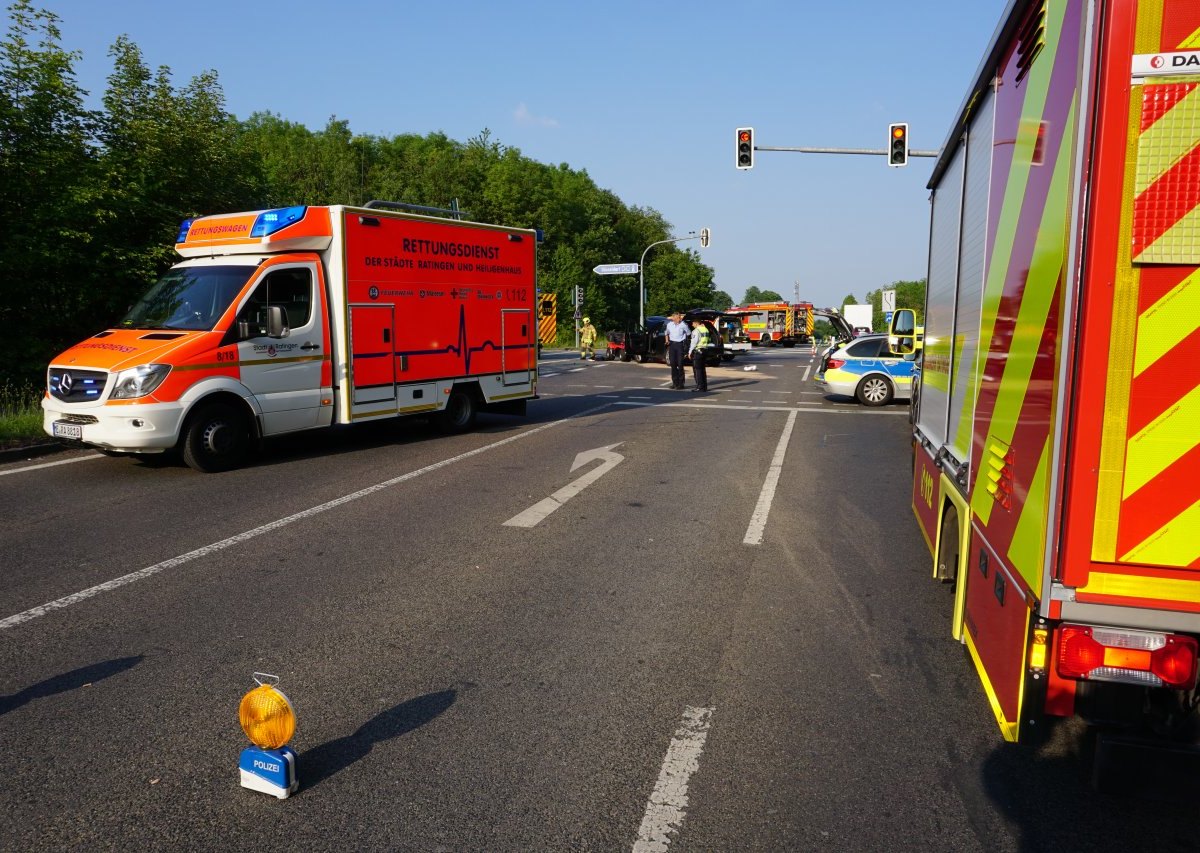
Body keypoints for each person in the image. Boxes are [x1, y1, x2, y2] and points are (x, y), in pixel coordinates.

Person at [664, 310, 690, 389]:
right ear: (674, 318)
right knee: (673, 364)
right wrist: (667, 340)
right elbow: (666, 333)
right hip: (672, 345)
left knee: (680, 364)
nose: (680, 318)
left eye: (679, 317)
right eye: (678, 317)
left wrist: (685, 340)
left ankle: (681, 384)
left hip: (679, 345)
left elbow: (689, 333)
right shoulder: (669, 325)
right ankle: (675, 383)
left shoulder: (683, 325)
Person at [687, 317, 711, 392]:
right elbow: (709, 339)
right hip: (705, 350)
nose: (692, 324)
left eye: (693, 323)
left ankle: (699, 387)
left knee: (698, 370)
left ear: (696, 323)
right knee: (703, 369)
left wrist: (690, 352)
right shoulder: (705, 329)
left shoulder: (696, 331)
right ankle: (704, 387)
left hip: (698, 351)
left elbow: (694, 342)